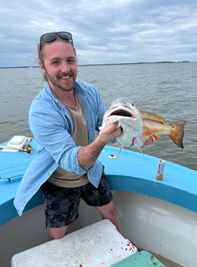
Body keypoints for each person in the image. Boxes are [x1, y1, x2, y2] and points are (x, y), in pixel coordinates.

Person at [13, 31, 122, 240]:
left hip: (92, 172)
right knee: (58, 233)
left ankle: (122, 249)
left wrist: (135, 136)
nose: (66, 69)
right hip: (59, 181)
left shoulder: (90, 92)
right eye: (55, 62)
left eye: (70, 60)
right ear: (42, 66)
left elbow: (106, 128)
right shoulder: (41, 111)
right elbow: (73, 162)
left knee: (111, 212)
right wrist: (103, 139)